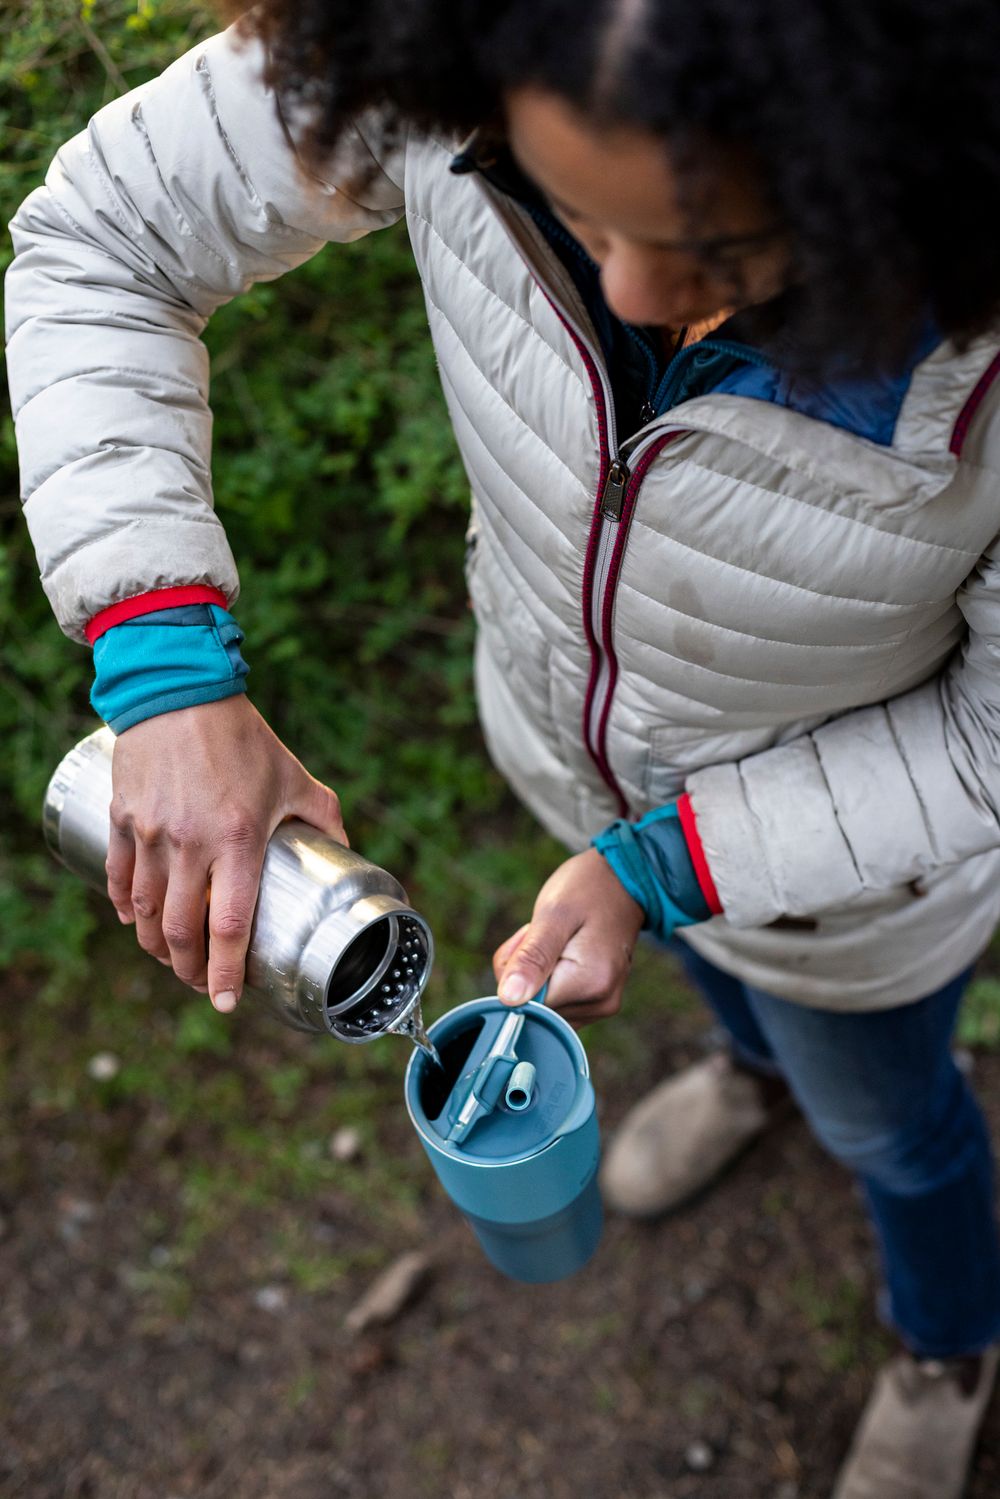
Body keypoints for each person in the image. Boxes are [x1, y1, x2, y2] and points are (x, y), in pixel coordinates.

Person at [7, 2, 1000, 1492]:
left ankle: (949, 1342)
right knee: (717, 985)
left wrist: (665, 861)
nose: (640, 294)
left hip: (856, 901)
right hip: (570, 776)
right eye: (568, 208)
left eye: (729, 254)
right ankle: (746, 1072)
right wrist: (163, 678)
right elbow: (102, 237)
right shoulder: (447, 50)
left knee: (900, 1123)